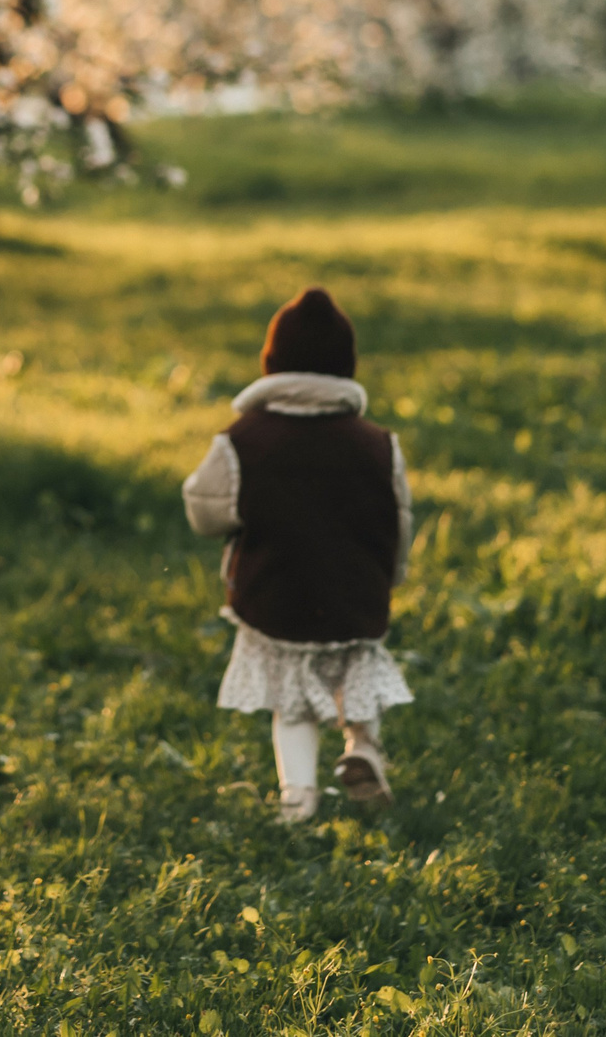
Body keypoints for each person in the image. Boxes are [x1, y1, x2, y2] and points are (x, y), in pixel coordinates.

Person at [183, 286, 414, 822]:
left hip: (277, 595)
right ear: (345, 369)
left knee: (292, 706)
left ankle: (299, 799)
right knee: (355, 680)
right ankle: (362, 749)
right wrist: (390, 577)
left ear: (272, 363)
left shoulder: (244, 440)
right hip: (354, 592)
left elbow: (204, 509)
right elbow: (397, 519)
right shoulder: (377, 444)